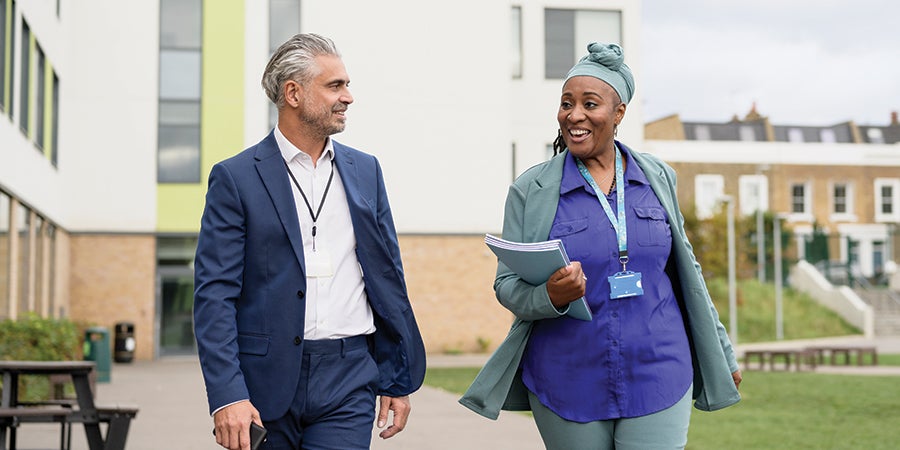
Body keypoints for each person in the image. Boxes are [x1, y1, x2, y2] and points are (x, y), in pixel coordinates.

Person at [459, 42, 742, 449]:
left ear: (618, 113)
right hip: (566, 377)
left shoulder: (657, 176)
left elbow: (687, 271)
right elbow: (508, 286)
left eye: (590, 104)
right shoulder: (531, 190)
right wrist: (551, 296)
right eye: (566, 104)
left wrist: (723, 352)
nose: (574, 115)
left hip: (660, 369)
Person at [193, 33, 426, 450]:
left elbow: (388, 279)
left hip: (349, 375)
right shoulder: (236, 178)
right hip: (264, 383)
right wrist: (227, 394)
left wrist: (396, 376)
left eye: (347, 85)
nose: (348, 97)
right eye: (335, 86)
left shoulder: (366, 171)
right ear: (293, 93)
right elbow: (215, 295)